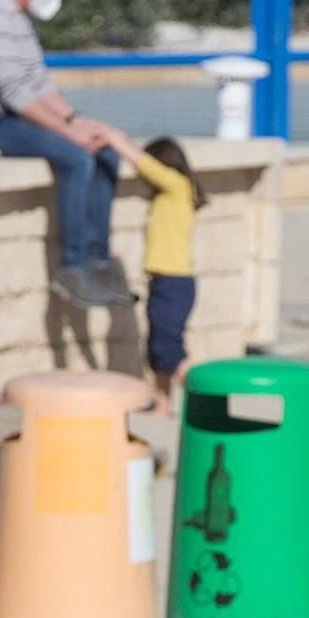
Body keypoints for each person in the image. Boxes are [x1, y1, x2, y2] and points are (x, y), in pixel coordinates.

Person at [0, 0, 134, 311]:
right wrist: (72, 135)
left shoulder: (19, 17)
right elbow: (15, 93)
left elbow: (39, 84)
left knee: (105, 150)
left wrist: (79, 121)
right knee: (77, 158)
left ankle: (99, 260)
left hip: (15, 115)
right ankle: (73, 266)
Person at [107, 130, 203, 414]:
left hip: (175, 281)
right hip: (165, 281)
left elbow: (144, 165)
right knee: (158, 346)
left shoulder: (178, 186)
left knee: (168, 345)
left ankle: (207, 393)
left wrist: (118, 141)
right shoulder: (170, 195)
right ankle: (163, 404)